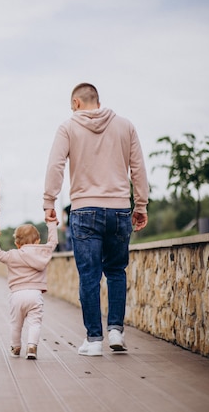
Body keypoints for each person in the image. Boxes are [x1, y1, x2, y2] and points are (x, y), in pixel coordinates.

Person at [43, 83, 149, 356]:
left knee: (88, 276)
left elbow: (56, 164)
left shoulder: (68, 127)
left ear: (77, 102)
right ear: (97, 100)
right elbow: (137, 167)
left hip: (84, 210)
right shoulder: (126, 126)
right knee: (116, 272)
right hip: (118, 210)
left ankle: (93, 340)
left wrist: (49, 201)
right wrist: (141, 205)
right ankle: (116, 331)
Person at [0, 221, 58, 359]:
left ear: (17, 243)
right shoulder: (43, 253)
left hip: (17, 295)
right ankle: (32, 347)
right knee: (35, 323)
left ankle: (16, 347)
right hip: (35, 294)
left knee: (16, 324)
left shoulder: (13, 255)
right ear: (38, 241)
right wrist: (51, 225)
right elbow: (53, 241)